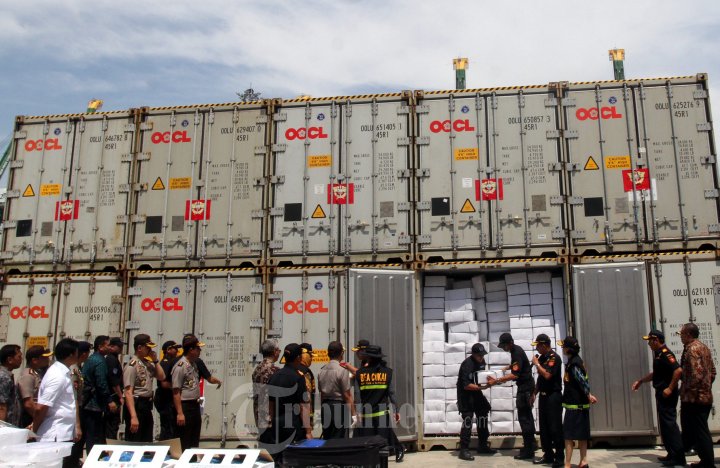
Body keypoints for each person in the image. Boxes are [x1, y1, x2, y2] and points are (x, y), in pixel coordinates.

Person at [631, 330, 685, 467]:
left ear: (656, 340)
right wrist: (641, 381)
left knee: (670, 425)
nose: (649, 344)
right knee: (665, 425)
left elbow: (678, 370)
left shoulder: (666, 354)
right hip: (661, 394)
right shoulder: (659, 354)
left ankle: (678, 457)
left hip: (667, 395)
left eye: (650, 341)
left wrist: (670, 388)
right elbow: (656, 374)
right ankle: (671, 453)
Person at [487, 332, 536, 460]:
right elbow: (518, 365)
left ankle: (529, 450)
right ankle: (531, 444)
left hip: (525, 388)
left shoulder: (516, 352)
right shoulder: (516, 351)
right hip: (527, 386)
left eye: (504, 346)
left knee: (524, 419)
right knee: (528, 417)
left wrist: (496, 380)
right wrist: (507, 367)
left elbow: (515, 374)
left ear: (510, 343)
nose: (503, 348)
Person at [33, 338, 81, 468]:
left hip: (62, 433)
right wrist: (34, 430)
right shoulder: (57, 375)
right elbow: (42, 407)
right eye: (77, 352)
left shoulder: (63, 372)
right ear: (71, 354)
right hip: (54, 434)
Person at [354, 345, 404, 463]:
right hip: (382, 415)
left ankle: (395, 450)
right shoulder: (387, 372)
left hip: (367, 415)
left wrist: (358, 412)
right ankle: (393, 453)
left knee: (369, 444)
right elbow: (391, 394)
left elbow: (357, 395)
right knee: (382, 445)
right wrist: (396, 411)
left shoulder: (360, 374)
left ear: (368, 357)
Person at [678, 322, 716, 468]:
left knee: (700, 431)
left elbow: (696, 375)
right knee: (700, 430)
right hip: (704, 396)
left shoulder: (692, 349)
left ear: (688, 334)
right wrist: (706, 387)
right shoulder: (704, 347)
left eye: (682, 334)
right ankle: (705, 461)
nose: (681, 336)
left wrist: (690, 391)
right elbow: (713, 372)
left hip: (695, 398)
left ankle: (707, 463)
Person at [265, 343, 312, 461]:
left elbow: (270, 405)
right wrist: (308, 431)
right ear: (298, 358)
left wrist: (272, 423)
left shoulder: (274, 376)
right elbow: (304, 406)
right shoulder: (298, 377)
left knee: (279, 458)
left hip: (277, 424)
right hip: (293, 424)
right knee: (294, 458)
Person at [558, 336, 598, 468]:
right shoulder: (575, 361)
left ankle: (567, 464)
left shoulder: (574, 363)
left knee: (569, 436)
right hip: (579, 405)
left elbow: (582, 381)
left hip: (575, 406)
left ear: (568, 349)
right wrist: (588, 395)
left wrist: (588, 394)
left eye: (563, 346)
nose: (562, 348)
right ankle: (583, 461)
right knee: (582, 435)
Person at [456, 342, 496, 461]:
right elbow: (466, 385)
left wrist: (489, 380)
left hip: (476, 392)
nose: (481, 357)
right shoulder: (467, 364)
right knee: (468, 419)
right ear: (473, 354)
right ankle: (464, 449)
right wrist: (482, 387)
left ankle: (483, 444)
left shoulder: (482, 362)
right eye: (479, 355)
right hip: (465, 394)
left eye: (483, 355)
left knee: (483, 413)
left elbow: (481, 377)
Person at [123, 334, 165, 442]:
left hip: (146, 405)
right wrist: (133, 416)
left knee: (146, 440)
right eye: (148, 348)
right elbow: (128, 392)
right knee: (135, 440)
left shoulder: (147, 364)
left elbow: (161, 376)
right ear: (139, 348)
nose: (150, 350)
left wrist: (155, 361)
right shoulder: (132, 366)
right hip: (137, 405)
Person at [531, 334, 564, 467]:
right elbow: (540, 379)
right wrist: (534, 393)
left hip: (553, 396)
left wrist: (537, 364)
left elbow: (547, 375)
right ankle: (548, 455)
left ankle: (559, 457)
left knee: (555, 428)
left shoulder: (554, 358)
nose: (537, 349)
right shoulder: (543, 358)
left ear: (544, 345)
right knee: (544, 428)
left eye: (538, 346)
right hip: (543, 397)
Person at [81, 335, 117, 453]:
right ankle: (94, 457)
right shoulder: (100, 361)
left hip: (88, 403)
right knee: (94, 434)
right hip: (94, 403)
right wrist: (109, 401)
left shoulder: (91, 359)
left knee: (89, 433)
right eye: (108, 345)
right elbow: (101, 383)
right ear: (100, 347)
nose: (110, 347)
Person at [171, 334, 205, 450]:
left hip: (195, 405)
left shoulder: (193, 364)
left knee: (194, 440)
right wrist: (180, 413)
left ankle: (193, 459)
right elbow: (176, 392)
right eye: (198, 348)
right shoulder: (180, 366)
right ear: (191, 350)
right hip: (185, 406)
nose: (200, 351)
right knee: (185, 440)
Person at [318, 341, 356, 439]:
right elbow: (347, 395)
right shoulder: (342, 370)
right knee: (338, 437)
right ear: (341, 353)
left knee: (327, 436)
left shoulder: (321, 370)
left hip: (325, 405)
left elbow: (321, 393)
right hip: (338, 406)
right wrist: (353, 414)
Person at [67, 341, 91, 468]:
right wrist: (77, 423)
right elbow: (74, 397)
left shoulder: (78, 368)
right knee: (75, 445)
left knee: (78, 446)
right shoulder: (74, 370)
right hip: (75, 410)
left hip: (80, 408)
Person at [252, 339, 280, 442]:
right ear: (275, 351)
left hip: (259, 416)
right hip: (270, 417)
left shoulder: (257, 369)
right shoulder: (274, 370)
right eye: (279, 350)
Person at [18, 346, 52, 427]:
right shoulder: (28, 375)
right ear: (34, 360)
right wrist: (39, 420)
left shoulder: (36, 374)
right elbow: (28, 404)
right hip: (29, 417)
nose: (48, 359)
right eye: (44, 358)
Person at [155, 340, 181, 440]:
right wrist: (177, 387)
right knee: (168, 427)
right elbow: (164, 383)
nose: (177, 351)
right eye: (175, 349)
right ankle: (166, 446)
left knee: (171, 426)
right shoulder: (166, 363)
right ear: (168, 350)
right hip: (165, 399)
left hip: (168, 399)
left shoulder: (172, 362)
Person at [104, 337, 125, 440]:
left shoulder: (114, 358)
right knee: (112, 424)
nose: (121, 348)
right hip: (113, 396)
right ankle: (109, 445)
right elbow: (113, 380)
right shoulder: (111, 359)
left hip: (113, 396)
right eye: (119, 346)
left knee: (114, 424)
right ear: (111, 346)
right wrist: (120, 396)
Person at [0, 344, 22, 426]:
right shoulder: (4, 377)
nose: (21, 359)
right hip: (5, 426)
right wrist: (2, 428)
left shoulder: (8, 375)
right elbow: (1, 406)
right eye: (19, 356)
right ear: (10, 359)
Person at [299, 342, 317, 424]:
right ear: (305, 356)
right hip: (304, 417)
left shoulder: (293, 369)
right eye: (310, 356)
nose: (311, 359)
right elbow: (307, 396)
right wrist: (308, 421)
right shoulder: (305, 372)